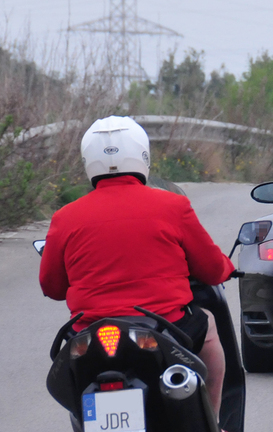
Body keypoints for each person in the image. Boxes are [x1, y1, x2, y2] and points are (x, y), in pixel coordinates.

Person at [39, 115, 234, 421]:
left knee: (78, 376)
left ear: (88, 160)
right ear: (143, 155)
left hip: (91, 334)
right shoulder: (173, 206)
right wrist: (227, 267)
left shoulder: (65, 217)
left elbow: (51, 287)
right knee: (207, 323)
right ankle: (212, 421)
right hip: (165, 328)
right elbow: (211, 270)